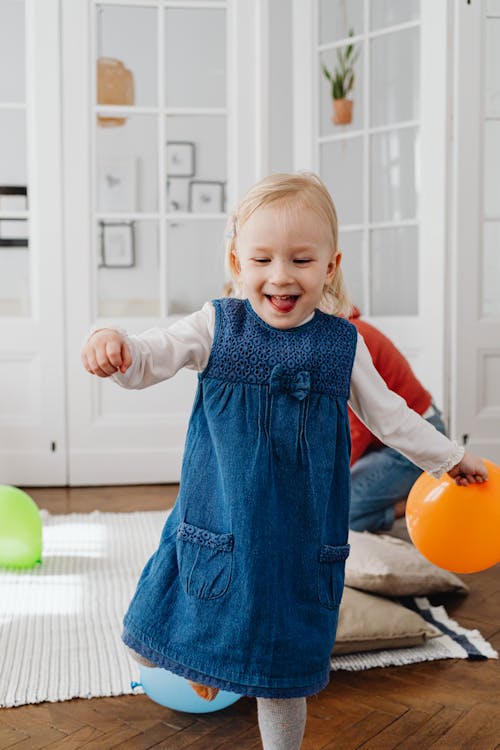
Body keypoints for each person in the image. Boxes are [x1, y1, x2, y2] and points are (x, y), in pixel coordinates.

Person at [81, 173, 487, 750]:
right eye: (263, 258)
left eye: (301, 259)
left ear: (330, 265)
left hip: (297, 540)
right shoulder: (217, 324)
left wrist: (450, 458)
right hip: (217, 521)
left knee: (282, 675)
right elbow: (151, 356)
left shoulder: (341, 344)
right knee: (145, 635)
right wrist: (111, 339)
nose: (280, 275)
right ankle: (204, 664)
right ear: (236, 261)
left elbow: (391, 417)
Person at [348, 307, 448, 533]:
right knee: (326, 508)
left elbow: (356, 431)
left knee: (337, 514)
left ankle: (410, 503)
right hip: (379, 442)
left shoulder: (349, 341)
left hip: (413, 444)